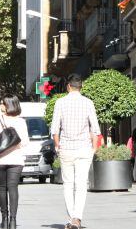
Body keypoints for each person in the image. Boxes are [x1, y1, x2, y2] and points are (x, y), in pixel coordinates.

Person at [50, 74, 101, 229]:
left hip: (66, 148)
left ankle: (72, 217)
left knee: (68, 184)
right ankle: (77, 218)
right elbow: (95, 128)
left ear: (68, 86)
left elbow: (54, 129)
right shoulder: (88, 103)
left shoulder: (60, 102)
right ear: (81, 86)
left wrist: (57, 146)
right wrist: (93, 148)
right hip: (84, 149)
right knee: (81, 184)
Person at [0, 95, 30, 229]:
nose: (0, 105)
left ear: (8, 105)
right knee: (13, 188)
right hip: (16, 159)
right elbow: (25, 142)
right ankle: (13, 221)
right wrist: (14, 143)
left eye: (2, 103)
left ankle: (4, 219)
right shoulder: (21, 122)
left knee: (2, 188)